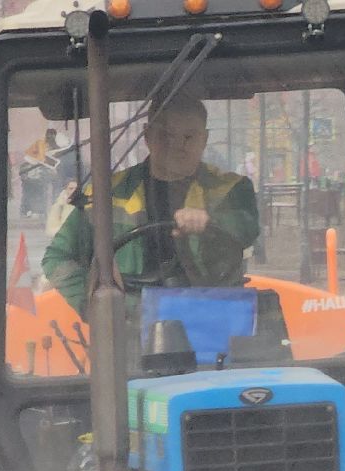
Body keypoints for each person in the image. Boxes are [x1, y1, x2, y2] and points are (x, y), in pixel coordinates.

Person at [42, 94, 260, 313]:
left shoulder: (231, 189)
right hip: (132, 324)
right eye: (166, 135)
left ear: (204, 139)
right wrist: (99, 308)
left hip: (213, 315)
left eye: (189, 136)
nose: (178, 146)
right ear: (147, 136)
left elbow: (246, 227)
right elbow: (57, 258)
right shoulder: (104, 195)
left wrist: (210, 221)